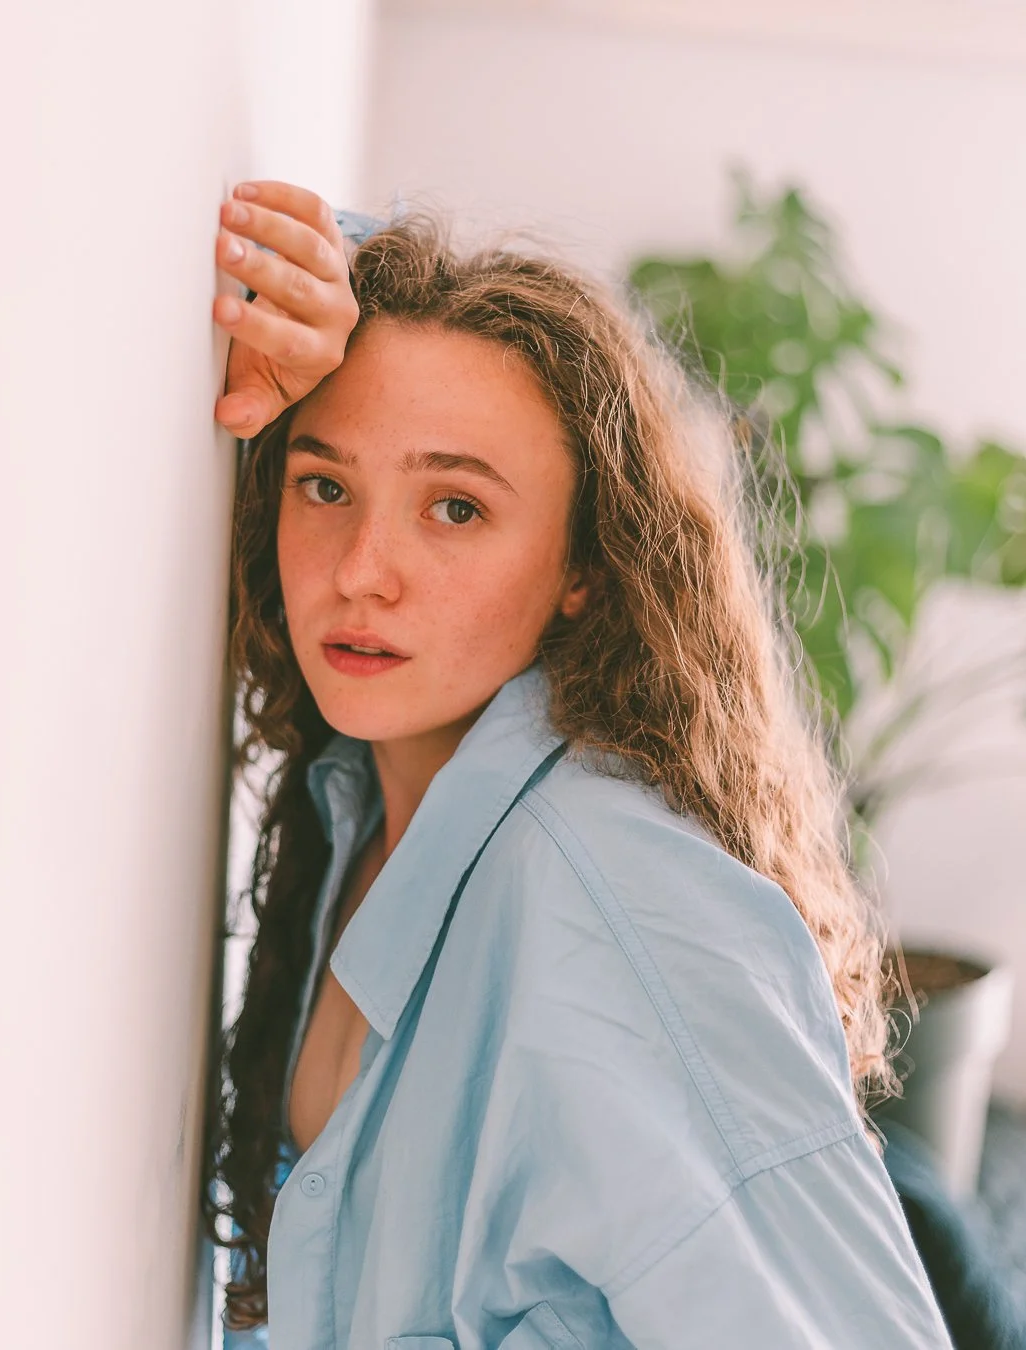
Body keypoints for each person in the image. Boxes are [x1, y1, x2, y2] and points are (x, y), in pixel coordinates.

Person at [201, 180, 954, 1349]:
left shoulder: (618, 898)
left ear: (583, 570)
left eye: (454, 509)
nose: (362, 570)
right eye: (327, 486)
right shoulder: (354, 803)